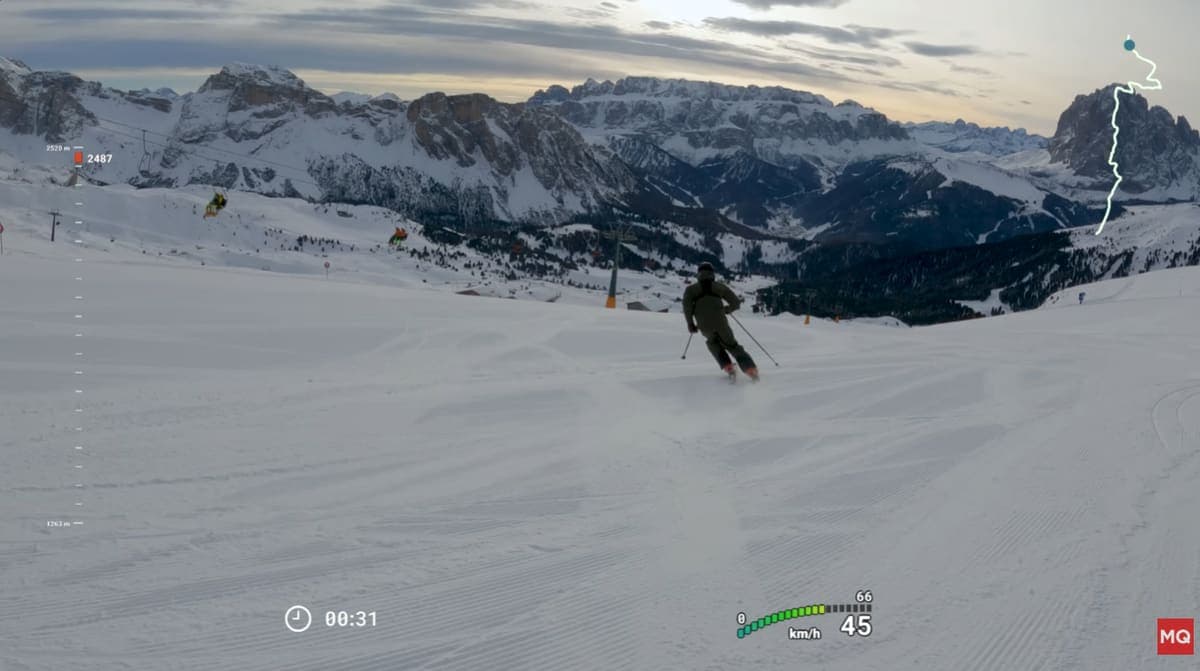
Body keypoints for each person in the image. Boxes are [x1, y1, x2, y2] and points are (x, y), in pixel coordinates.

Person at [683, 262, 758, 381]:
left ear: (699, 274)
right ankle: (750, 370)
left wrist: (690, 324)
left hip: (704, 325)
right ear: (712, 274)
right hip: (721, 323)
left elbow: (687, 309)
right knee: (732, 345)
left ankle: (729, 368)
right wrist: (725, 310)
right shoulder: (719, 287)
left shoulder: (690, 290)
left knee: (712, 344)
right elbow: (736, 303)